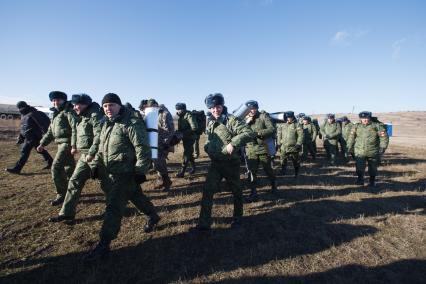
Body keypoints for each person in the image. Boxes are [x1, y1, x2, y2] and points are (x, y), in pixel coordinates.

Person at [84, 93, 160, 260]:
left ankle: (104, 244)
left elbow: (142, 149)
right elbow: (101, 147)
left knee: (114, 206)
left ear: (119, 106)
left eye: (111, 105)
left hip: (126, 173)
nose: (108, 109)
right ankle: (153, 216)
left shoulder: (131, 123)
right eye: (105, 106)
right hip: (111, 172)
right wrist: (96, 164)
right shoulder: (106, 124)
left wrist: (140, 171)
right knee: (135, 195)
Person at [196, 93, 254, 231]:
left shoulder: (231, 120)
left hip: (230, 163)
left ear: (222, 106)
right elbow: (209, 138)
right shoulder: (210, 121)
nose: (215, 110)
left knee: (236, 191)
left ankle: (238, 218)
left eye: (218, 106)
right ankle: (204, 224)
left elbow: (249, 133)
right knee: (208, 191)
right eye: (212, 108)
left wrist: (233, 143)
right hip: (216, 163)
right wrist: (207, 147)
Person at [48, 94, 102, 222]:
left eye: (78, 104)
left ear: (86, 104)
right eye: (74, 104)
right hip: (85, 156)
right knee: (74, 181)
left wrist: (92, 153)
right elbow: (76, 132)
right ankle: (66, 213)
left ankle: (118, 207)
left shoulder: (95, 116)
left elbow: (99, 136)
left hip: (96, 156)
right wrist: (74, 146)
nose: (75, 107)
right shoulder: (82, 116)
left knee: (107, 185)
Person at [37, 91, 76, 206]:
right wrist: (42, 144)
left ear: (64, 100)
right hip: (60, 144)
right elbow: (50, 132)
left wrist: (73, 145)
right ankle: (73, 190)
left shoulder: (68, 111)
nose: (55, 102)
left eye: (58, 100)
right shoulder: (55, 114)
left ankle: (62, 195)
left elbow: (75, 128)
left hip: (67, 143)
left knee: (56, 168)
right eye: (53, 100)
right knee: (69, 168)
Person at [5, 101, 53, 174]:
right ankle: (51, 162)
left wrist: (47, 135)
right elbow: (24, 127)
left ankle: (17, 169)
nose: (18, 110)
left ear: (23, 107)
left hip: (32, 137)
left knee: (24, 152)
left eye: (19, 108)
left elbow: (42, 125)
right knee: (39, 150)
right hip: (29, 136)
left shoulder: (33, 114)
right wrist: (21, 137)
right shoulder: (25, 115)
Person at [244, 100, 277, 201]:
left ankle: (273, 185)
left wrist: (258, 133)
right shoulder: (244, 118)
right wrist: (246, 123)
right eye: (250, 109)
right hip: (250, 149)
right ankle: (253, 192)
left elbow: (272, 129)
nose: (252, 111)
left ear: (257, 108)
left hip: (263, 148)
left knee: (268, 170)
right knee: (251, 172)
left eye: (253, 108)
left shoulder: (263, 116)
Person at [347, 111, 389, 187]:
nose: (365, 120)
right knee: (359, 167)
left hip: (373, 151)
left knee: (373, 168)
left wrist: (383, 147)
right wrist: (349, 148)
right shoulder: (356, 126)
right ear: (360, 119)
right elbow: (351, 138)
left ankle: (372, 181)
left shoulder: (377, 126)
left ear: (370, 117)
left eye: (366, 118)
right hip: (360, 151)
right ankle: (360, 180)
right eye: (363, 118)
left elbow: (384, 137)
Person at [147, 99, 175, 191]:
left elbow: (169, 131)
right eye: (150, 107)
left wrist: (165, 143)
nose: (152, 108)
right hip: (155, 143)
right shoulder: (153, 114)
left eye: (153, 106)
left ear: (156, 104)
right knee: (157, 163)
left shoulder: (165, 114)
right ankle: (163, 181)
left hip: (163, 144)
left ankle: (167, 183)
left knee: (160, 163)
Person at [277, 111, 304, 177]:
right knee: (283, 159)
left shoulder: (297, 125)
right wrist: (278, 144)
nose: (288, 119)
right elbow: (279, 134)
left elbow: (301, 135)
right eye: (287, 117)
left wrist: (298, 144)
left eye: (289, 117)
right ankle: (283, 171)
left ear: (292, 117)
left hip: (294, 147)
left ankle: (296, 173)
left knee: (295, 161)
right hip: (284, 146)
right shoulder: (283, 125)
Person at [175, 102, 198, 177]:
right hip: (185, 138)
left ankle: (182, 172)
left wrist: (183, 133)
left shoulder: (188, 115)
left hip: (190, 138)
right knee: (189, 154)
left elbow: (194, 127)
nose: (177, 111)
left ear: (183, 109)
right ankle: (194, 168)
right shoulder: (181, 116)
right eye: (177, 109)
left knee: (186, 154)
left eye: (178, 109)